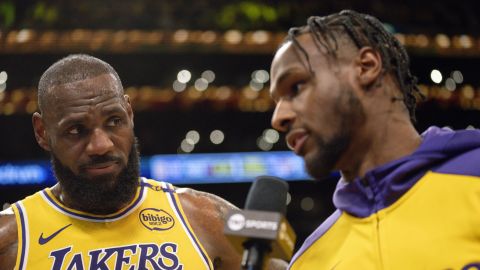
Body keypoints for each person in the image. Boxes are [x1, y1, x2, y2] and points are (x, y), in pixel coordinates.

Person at [0, 54, 287, 270]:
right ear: (42, 132)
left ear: (129, 112)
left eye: (114, 121)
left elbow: (294, 256)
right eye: (76, 130)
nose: (101, 145)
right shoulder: (9, 236)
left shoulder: (209, 214)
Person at [269, 10, 480, 269]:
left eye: (296, 87)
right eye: (276, 102)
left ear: (366, 67)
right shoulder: (309, 262)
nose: (278, 118)